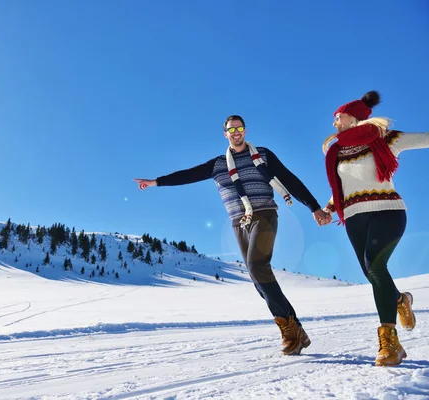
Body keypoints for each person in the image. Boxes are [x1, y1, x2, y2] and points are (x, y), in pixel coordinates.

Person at [134, 115, 329, 356]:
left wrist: (314, 207)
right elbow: (187, 175)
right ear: (225, 134)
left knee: (258, 266)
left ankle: (291, 331)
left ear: (245, 131)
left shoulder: (264, 155)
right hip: (239, 222)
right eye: (231, 129)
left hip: (265, 215)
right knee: (257, 276)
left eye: (239, 128)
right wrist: (155, 182)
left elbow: (289, 179)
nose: (236, 132)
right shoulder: (218, 165)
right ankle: (294, 329)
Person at [320, 90, 425, 366]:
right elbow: (342, 187)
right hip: (354, 217)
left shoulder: (385, 139)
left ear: (353, 117)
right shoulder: (337, 152)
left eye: (338, 117)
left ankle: (390, 344)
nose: (335, 123)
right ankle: (400, 300)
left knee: (375, 266)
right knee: (371, 272)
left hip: (388, 212)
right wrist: (329, 209)